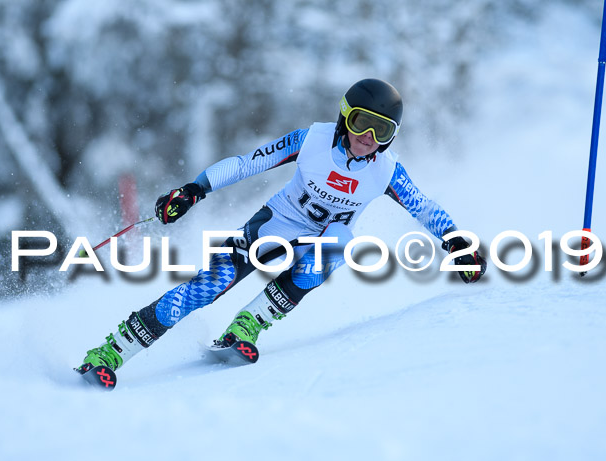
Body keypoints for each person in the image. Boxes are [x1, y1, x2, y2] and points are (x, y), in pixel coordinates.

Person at [77, 78, 487, 374]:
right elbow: (246, 163)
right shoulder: (311, 140)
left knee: (341, 244)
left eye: (382, 130)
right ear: (346, 116)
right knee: (205, 289)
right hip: (273, 227)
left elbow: (423, 207)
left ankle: (248, 325)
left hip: (320, 242)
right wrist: (194, 190)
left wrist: (456, 243)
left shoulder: (387, 171)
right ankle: (112, 351)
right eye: (362, 122)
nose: (368, 137)